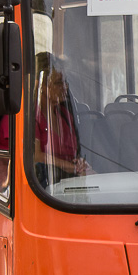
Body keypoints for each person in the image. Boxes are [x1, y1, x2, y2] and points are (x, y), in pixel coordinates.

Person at [33, 53, 92, 185]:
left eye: (65, 82)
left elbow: (74, 154)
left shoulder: (65, 115)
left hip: (71, 181)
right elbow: (35, 156)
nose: (65, 87)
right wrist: (70, 167)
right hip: (45, 186)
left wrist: (79, 163)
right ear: (41, 86)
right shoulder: (31, 117)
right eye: (59, 83)